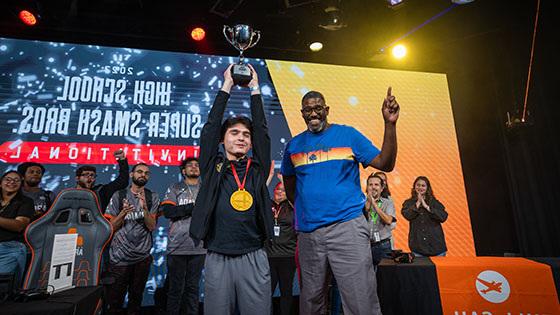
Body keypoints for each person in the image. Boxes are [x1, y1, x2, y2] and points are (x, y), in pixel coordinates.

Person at [281, 87, 400, 314]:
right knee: (311, 302)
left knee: (360, 300)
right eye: (308, 110)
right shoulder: (294, 146)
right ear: (302, 113)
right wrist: (308, 211)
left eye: (318, 108)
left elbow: (385, 163)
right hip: (309, 235)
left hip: (348, 229)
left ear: (326, 110)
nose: (313, 113)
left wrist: (390, 124)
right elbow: (290, 186)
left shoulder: (348, 135)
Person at [190, 64, 274, 315]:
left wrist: (255, 89)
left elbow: (262, 132)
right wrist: (227, 84)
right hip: (218, 255)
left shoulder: (257, 168)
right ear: (223, 138)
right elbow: (210, 128)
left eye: (246, 135)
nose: (241, 138)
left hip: (254, 254)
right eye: (234, 133)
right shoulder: (212, 165)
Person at [105, 163, 160, 315]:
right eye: (140, 172)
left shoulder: (152, 196)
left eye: (146, 173)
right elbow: (111, 228)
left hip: (142, 257)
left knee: (136, 299)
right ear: (131, 175)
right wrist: (123, 213)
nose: (143, 175)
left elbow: (151, 226)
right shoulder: (119, 195)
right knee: (115, 300)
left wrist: (144, 209)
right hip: (119, 258)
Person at [161, 158, 205, 315]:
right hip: (177, 247)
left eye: (197, 165)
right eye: (190, 165)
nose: (194, 167)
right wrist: (193, 208)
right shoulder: (175, 187)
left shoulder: (206, 189)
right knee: (175, 289)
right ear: (183, 171)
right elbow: (168, 211)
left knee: (193, 288)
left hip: (199, 248)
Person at [266, 181, 297, 315]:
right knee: (266, 292)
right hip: (269, 256)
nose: (279, 191)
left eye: (283, 190)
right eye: (278, 189)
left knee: (286, 291)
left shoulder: (292, 207)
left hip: (287, 256)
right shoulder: (268, 206)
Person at [0, 171, 34, 284]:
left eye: (16, 180)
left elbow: (18, 225)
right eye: (8, 179)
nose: (12, 182)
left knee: (4, 289)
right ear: (1, 183)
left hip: (9, 248)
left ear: (21, 184)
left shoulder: (26, 202)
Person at [401, 176, 448, 257]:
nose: (420, 187)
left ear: (427, 188)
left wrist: (427, 207)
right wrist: (418, 203)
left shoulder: (434, 202)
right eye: (418, 185)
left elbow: (443, 217)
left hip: (437, 248)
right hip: (418, 248)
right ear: (414, 187)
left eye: (423, 185)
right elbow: (407, 215)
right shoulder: (408, 203)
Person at [365, 174, 396, 266]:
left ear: (382, 188)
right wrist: (368, 204)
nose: (373, 187)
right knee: (365, 275)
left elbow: (388, 220)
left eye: (376, 185)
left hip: (383, 245)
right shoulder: (359, 203)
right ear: (367, 188)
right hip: (364, 245)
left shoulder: (388, 203)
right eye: (370, 185)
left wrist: (374, 204)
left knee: (385, 276)